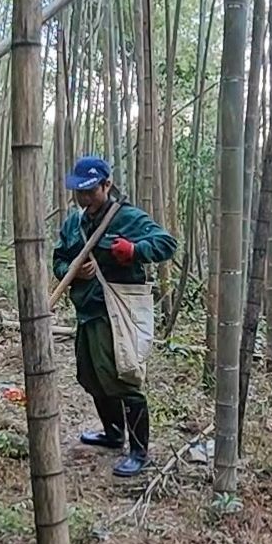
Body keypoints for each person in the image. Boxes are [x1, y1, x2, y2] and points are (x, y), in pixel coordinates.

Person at [52, 156, 177, 478]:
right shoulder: (73, 223)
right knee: (92, 377)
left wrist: (134, 251)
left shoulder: (127, 218)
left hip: (118, 312)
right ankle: (112, 434)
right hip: (87, 311)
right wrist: (74, 272)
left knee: (122, 378)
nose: (84, 198)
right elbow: (60, 259)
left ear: (107, 185)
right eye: (79, 192)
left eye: (90, 191)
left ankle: (139, 450)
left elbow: (166, 243)